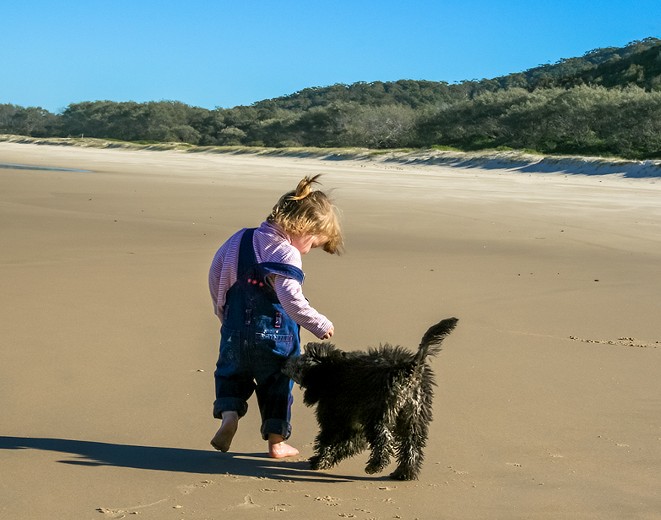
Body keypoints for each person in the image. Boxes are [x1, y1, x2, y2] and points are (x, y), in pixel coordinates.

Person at [208, 174, 343, 458]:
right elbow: (290, 300)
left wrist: (223, 312)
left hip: (233, 330)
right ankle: (277, 443)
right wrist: (319, 323)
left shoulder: (239, 239)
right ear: (303, 228)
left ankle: (230, 416)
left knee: (231, 375)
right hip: (275, 336)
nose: (309, 250)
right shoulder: (286, 254)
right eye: (314, 244)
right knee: (279, 384)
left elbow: (217, 274)